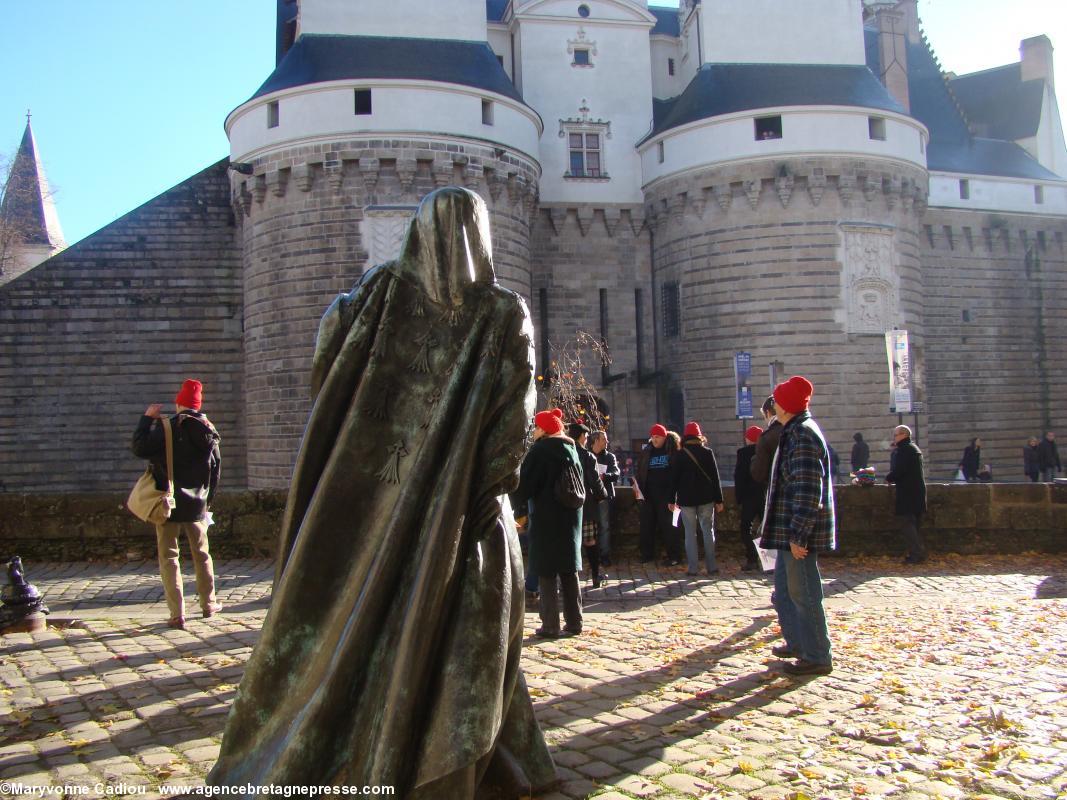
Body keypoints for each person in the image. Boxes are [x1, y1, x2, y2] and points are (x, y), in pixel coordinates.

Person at [207, 187, 555, 798]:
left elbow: (328, 367)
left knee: (368, 627)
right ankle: (455, 767)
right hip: (467, 517)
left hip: (372, 506)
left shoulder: (377, 293)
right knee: (472, 638)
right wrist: (480, 491)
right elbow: (512, 425)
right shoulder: (503, 311)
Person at [759, 376, 835, 677]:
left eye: (777, 400)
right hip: (786, 529)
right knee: (786, 589)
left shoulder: (802, 434)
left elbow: (807, 489)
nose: (773, 404)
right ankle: (798, 642)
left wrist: (798, 534)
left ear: (787, 405)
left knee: (803, 591)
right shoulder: (794, 430)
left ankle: (816, 654)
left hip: (795, 531)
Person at [131, 379, 221, 630]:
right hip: (197, 505)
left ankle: (176, 612)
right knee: (202, 555)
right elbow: (215, 470)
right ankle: (208, 604)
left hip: (167, 504)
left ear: (179, 402)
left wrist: (147, 420)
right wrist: (207, 501)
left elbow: (138, 448)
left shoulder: (167, 428)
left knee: (169, 557)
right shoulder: (207, 429)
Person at [518, 410, 585, 637]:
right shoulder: (572, 448)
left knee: (545, 570)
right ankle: (575, 621)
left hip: (547, 516)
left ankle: (550, 624)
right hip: (570, 517)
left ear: (544, 430)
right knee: (568, 569)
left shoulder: (541, 450)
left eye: (536, 427)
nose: (534, 431)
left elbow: (524, 485)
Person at [670, 421, 725, 576]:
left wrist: (671, 499)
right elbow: (715, 477)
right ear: (699, 436)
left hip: (686, 499)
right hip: (706, 497)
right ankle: (712, 566)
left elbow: (674, 479)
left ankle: (693, 568)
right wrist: (719, 500)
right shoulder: (707, 453)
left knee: (689, 533)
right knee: (708, 531)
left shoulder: (680, 455)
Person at [568, 422, 608, 589]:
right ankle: (595, 575)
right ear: (582, 437)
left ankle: (569, 580)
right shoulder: (587, 456)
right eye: (585, 436)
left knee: (570, 542)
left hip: (566, 505)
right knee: (590, 541)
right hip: (585, 504)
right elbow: (595, 481)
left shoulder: (564, 453)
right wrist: (602, 495)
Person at [635, 423, 682, 565]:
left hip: (667, 496)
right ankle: (646, 554)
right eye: (653, 437)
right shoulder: (647, 451)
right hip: (649, 495)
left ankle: (674, 556)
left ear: (664, 437)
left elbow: (677, 474)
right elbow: (640, 471)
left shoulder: (672, 451)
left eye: (658, 437)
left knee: (669, 527)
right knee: (647, 526)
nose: (655, 440)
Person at [886, 425, 927, 564]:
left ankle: (916, 554)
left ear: (903, 435)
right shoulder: (914, 448)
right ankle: (917, 553)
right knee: (915, 525)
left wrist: (889, 478)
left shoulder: (905, 450)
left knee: (908, 524)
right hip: (917, 493)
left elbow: (900, 470)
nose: (894, 438)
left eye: (896, 435)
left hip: (908, 493)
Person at [733, 426, 764, 572]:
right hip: (764, 495)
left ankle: (752, 558)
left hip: (749, 497)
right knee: (767, 528)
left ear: (748, 439)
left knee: (746, 528)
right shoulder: (766, 453)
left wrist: (739, 498)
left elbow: (739, 477)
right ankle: (768, 562)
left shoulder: (743, 453)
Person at [589, 430, 620, 565]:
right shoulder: (587, 455)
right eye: (604, 439)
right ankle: (590, 555)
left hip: (604, 495)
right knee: (589, 526)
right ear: (595, 441)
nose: (606, 442)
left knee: (604, 526)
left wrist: (604, 476)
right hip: (589, 496)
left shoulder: (609, 457)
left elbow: (616, 473)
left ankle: (605, 555)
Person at [750, 396, 782, 487]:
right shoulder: (795, 429)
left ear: (767, 413)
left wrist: (754, 458)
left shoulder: (767, 437)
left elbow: (758, 474)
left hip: (777, 491)